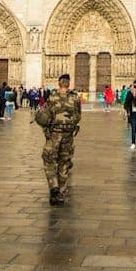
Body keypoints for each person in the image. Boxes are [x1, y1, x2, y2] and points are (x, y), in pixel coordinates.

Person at [36, 73, 82, 205]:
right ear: (69, 84)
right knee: (64, 163)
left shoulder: (52, 97)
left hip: (54, 135)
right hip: (68, 135)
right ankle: (60, 194)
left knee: (49, 160)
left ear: (59, 84)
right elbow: (78, 117)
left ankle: (53, 186)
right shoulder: (75, 98)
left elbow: (45, 117)